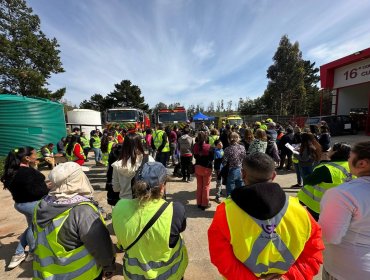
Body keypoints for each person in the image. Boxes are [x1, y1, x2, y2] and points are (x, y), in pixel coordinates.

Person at [208, 152, 324, 279]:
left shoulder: (225, 212)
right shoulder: (300, 211)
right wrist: (287, 277)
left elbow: (221, 258)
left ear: (243, 174)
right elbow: (313, 254)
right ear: (274, 175)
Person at [32, 162, 115, 279]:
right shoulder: (83, 211)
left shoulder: (41, 205)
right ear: (76, 180)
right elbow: (100, 245)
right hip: (81, 275)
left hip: (48, 274)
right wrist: (108, 266)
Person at [112, 161, 188, 279]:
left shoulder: (119, 207)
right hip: (169, 275)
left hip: (133, 276)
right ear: (162, 187)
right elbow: (181, 228)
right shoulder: (175, 210)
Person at [319, 141, 370, 279]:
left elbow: (328, 236)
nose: (347, 160)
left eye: (350, 157)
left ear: (362, 164)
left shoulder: (344, 194)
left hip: (348, 270)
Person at [1, 147, 50, 269]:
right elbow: (38, 191)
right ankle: (25, 253)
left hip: (20, 204)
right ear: (27, 158)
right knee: (32, 228)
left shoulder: (12, 171)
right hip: (32, 204)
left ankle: (25, 253)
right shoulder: (28, 172)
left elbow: (27, 187)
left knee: (31, 227)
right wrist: (49, 187)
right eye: (35, 154)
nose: (37, 156)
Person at [298, 142, 352, 221]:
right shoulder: (353, 166)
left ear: (335, 152)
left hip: (321, 208)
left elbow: (308, 180)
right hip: (344, 207)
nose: (328, 151)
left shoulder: (326, 168)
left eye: (331, 149)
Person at [112, 133, 155, 199]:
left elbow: (116, 189)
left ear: (124, 145)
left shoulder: (117, 165)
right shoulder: (149, 160)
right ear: (140, 144)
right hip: (144, 201)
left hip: (125, 201)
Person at [193, 131, 214, 210]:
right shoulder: (210, 147)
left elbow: (195, 157)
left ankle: (199, 203)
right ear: (206, 138)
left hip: (198, 167)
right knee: (206, 186)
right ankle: (204, 204)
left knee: (199, 186)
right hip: (207, 168)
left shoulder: (195, 146)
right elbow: (212, 159)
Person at [223, 132, 246, 196]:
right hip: (241, 170)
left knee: (230, 192)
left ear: (229, 139)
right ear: (238, 138)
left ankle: (230, 205)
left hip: (231, 170)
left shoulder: (227, 149)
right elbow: (244, 158)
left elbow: (224, 162)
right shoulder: (242, 147)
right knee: (241, 190)